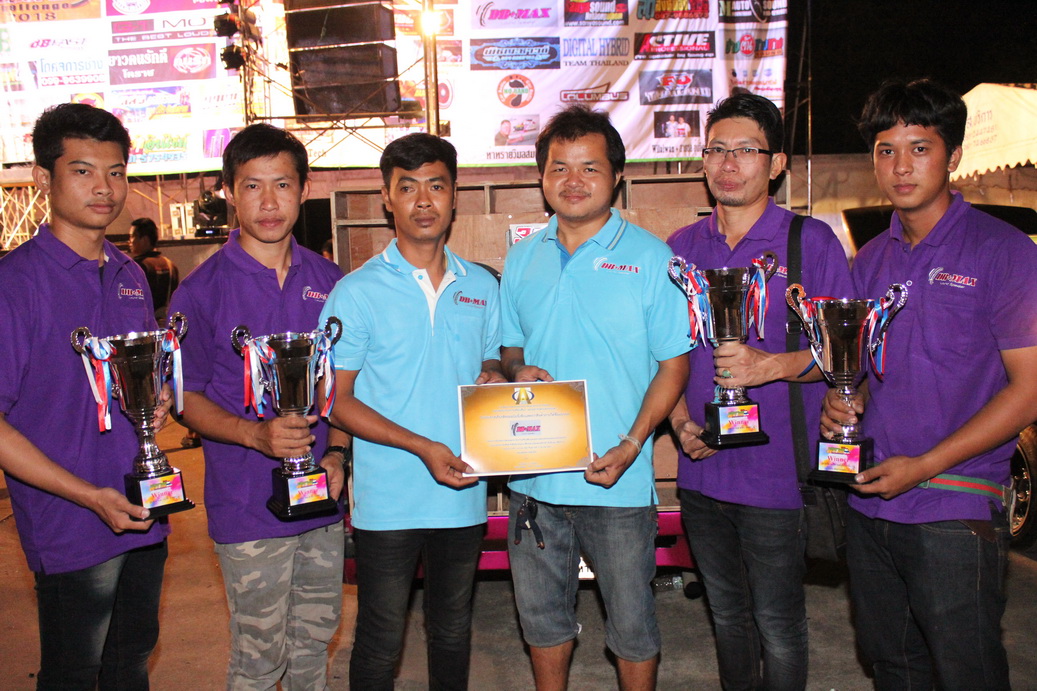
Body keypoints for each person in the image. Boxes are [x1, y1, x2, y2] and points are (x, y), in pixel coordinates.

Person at [822, 79, 1037, 689]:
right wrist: (845, 400)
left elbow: (1028, 390)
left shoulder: (1003, 251)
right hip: (870, 499)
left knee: (967, 672)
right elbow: (870, 373)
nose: (901, 166)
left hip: (954, 505)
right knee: (893, 667)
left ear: (953, 155)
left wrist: (924, 466)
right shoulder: (871, 260)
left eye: (920, 148)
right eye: (886, 150)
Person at [499, 104, 690, 690]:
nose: (573, 180)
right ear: (541, 177)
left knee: (632, 626)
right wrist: (516, 368)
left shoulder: (653, 259)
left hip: (616, 478)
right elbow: (509, 347)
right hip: (533, 479)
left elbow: (674, 365)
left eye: (589, 167)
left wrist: (633, 444)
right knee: (541, 622)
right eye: (559, 167)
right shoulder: (523, 257)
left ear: (617, 176)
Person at [666, 93, 852, 690]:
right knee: (726, 618)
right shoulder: (680, 248)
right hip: (701, 473)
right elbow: (661, 356)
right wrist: (679, 422)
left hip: (777, 479)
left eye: (746, 150)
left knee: (779, 624)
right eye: (717, 149)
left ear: (775, 165)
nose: (728, 163)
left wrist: (770, 367)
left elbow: (844, 354)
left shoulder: (809, 242)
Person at [319, 132, 504, 690]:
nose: (423, 201)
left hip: (463, 492)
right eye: (408, 188)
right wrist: (422, 447)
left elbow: (489, 357)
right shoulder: (356, 292)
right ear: (387, 198)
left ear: (454, 195)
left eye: (436, 186)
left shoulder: (481, 285)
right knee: (380, 638)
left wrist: (493, 373)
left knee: (452, 630)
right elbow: (336, 399)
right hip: (388, 499)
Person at [168, 123, 348, 689]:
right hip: (246, 506)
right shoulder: (201, 291)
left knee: (315, 645)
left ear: (305, 189)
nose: (269, 203)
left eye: (283, 185)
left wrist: (338, 455)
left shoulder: (333, 282)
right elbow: (184, 397)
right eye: (252, 186)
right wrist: (254, 435)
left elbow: (348, 387)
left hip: (322, 500)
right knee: (259, 656)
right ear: (229, 191)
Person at [0, 102, 170, 688]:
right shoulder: (15, 284)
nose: (104, 187)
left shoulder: (130, 275)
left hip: (144, 506)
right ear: (43, 178)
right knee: (74, 673)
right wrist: (88, 496)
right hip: (71, 521)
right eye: (82, 170)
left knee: (131, 661)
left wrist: (154, 400)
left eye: (116, 172)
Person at [129, 216, 179, 322]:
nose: (130, 241)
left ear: (145, 240)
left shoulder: (138, 266)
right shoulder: (170, 265)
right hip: (167, 323)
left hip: (144, 324)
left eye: (133, 236)